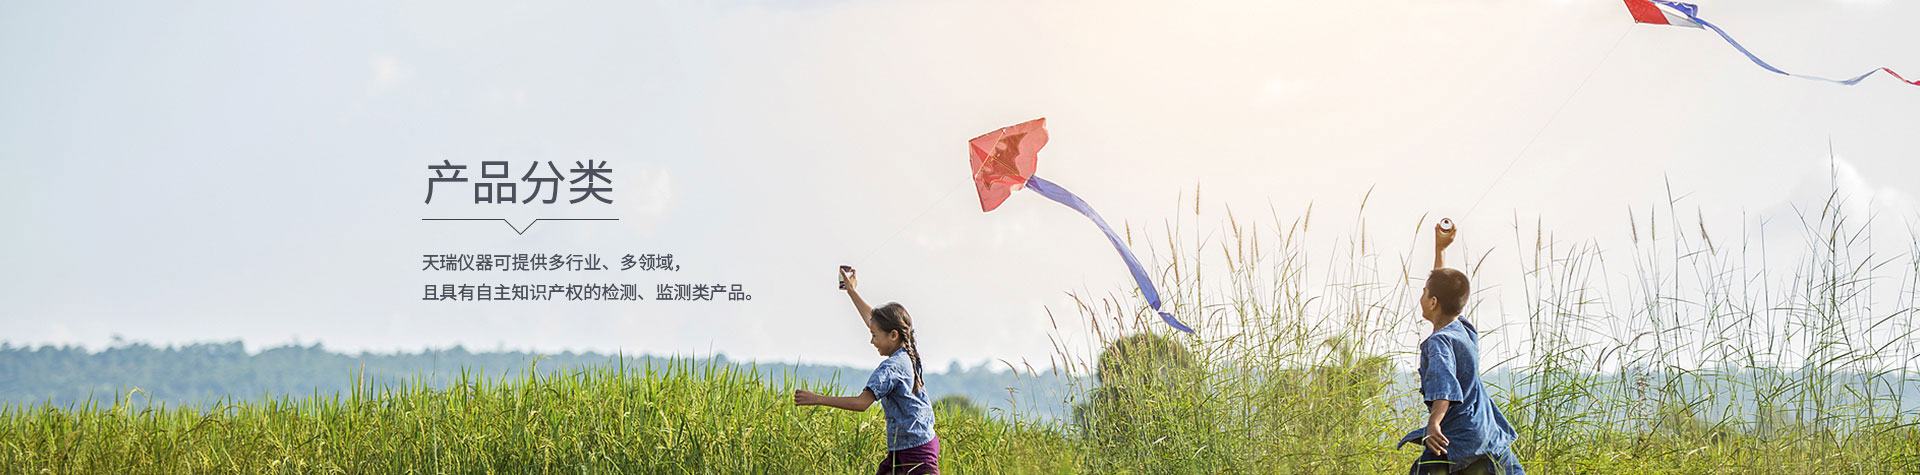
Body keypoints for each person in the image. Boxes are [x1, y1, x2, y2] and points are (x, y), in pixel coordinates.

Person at [1397, 221, 1525, 474]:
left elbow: (1444, 385)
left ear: (1433, 302)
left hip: (1457, 438)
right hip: (1487, 432)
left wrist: (1434, 423)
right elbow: (1444, 289)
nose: (1421, 296)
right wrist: (1440, 249)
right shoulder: (1464, 329)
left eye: (1424, 292)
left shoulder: (1438, 342)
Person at [794, 266, 940, 474]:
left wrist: (815, 398)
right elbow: (874, 321)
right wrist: (851, 291)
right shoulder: (907, 349)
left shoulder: (890, 368)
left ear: (893, 335)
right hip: (912, 444)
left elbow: (861, 403)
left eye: (874, 336)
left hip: (915, 452)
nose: (871, 341)